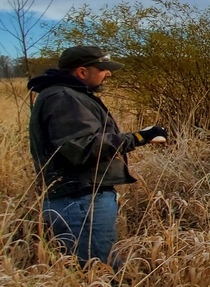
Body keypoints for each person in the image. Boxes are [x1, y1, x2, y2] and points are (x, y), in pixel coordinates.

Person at [28, 46, 168, 267]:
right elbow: (83, 147)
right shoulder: (64, 97)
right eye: (102, 68)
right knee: (100, 272)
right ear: (82, 72)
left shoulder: (66, 95)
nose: (109, 73)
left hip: (79, 198)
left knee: (90, 271)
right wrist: (140, 137)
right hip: (80, 201)